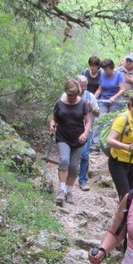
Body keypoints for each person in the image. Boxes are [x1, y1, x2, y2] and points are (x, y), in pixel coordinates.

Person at [48, 79, 92, 207]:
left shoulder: (83, 104)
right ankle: (61, 191)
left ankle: (69, 191)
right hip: (63, 137)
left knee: (73, 167)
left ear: (78, 92)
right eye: (69, 94)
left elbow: (88, 121)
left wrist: (85, 133)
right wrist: (52, 126)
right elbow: (54, 119)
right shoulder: (59, 103)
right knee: (64, 161)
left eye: (74, 94)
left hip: (78, 139)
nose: (72, 97)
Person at [106, 92, 133, 200]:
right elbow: (109, 141)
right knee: (125, 196)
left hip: (132, 163)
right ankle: (122, 216)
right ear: (131, 106)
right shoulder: (122, 118)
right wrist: (126, 147)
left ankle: (129, 216)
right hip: (118, 162)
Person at [74, 74, 100, 191]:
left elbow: (97, 113)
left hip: (86, 129)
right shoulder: (69, 95)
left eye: (84, 88)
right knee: (71, 155)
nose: (82, 90)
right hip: (71, 129)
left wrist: (91, 108)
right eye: (81, 87)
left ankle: (83, 180)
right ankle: (68, 178)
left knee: (84, 155)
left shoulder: (90, 96)